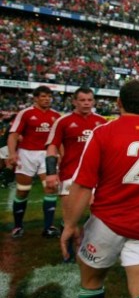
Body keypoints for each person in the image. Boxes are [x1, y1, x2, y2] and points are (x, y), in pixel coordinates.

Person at [60, 79, 139, 298]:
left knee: (91, 282)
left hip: (106, 222)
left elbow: (82, 185)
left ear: (118, 102)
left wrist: (70, 224)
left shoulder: (103, 132)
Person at [45, 87, 107, 261]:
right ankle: (70, 253)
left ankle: (91, 250)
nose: (86, 103)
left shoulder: (102, 122)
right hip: (70, 175)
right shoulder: (63, 122)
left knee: (99, 216)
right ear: (74, 102)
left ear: (94, 101)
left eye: (89, 100)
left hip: (96, 177)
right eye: (82, 100)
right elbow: (51, 146)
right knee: (70, 218)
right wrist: (51, 173)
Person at [6, 86, 61, 238]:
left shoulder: (56, 115)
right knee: (23, 190)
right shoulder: (25, 113)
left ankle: (48, 227)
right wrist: (12, 154)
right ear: (35, 98)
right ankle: (18, 226)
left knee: (51, 188)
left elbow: (59, 140)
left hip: (47, 154)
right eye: (43, 96)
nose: (47, 99)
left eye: (49, 96)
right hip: (26, 154)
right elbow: (13, 135)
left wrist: (61, 157)